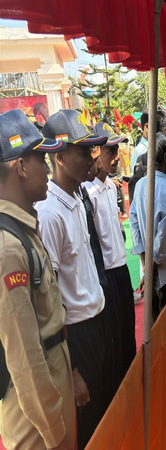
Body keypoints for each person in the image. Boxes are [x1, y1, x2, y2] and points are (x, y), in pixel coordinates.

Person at [0, 109, 74, 450]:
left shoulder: (24, 228)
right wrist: (54, 429)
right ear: (20, 166)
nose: (47, 169)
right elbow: (25, 360)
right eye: (40, 159)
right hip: (37, 424)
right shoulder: (8, 248)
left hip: (52, 387)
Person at [35, 109, 110, 449]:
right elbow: (49, 299)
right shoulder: (49, 214)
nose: (91, 158)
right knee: (88, 426)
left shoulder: (78, 197)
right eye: (84, 151)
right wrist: (74, 368)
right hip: (76, 335)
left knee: (105, 415)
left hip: (96, 322)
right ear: (61, 156)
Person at [85, 123, 136, 387]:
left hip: (122, 268)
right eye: (110, 150)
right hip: (106, 276)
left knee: (128, 332)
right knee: (114, 337)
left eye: (117, 149)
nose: (116, 156)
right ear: (95, 152)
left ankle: (131, 383)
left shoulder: (110, 188)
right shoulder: (88, 193)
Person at [130, 133, 166, 321]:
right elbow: (162, 237)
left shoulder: (142, 184)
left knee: (154, 325)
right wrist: (150, 268)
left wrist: (144, 262)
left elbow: (134, 224)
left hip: (152, 270)